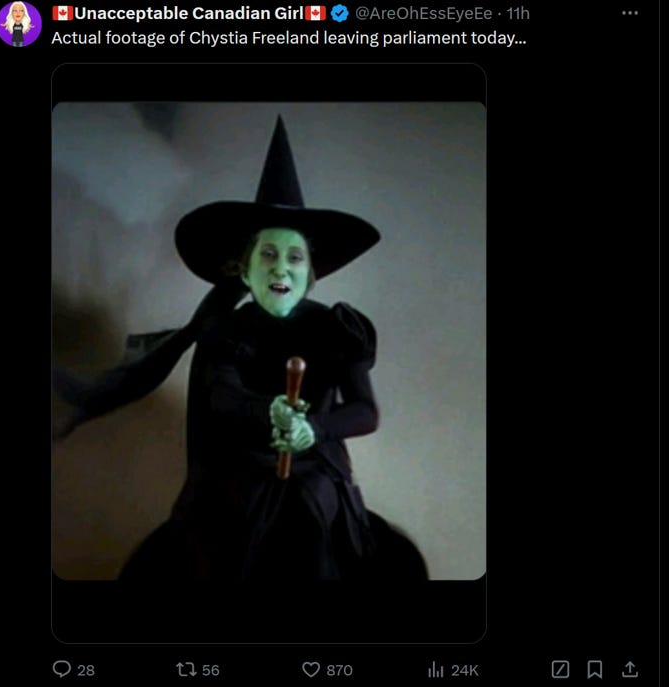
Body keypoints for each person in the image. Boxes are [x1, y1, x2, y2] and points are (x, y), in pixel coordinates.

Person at [53, 116, 428, 582]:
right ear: (245, 270)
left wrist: (313, 428)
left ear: (310, 273)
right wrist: (268, 411)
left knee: (311, 511)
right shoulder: (228, 330)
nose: (281, 268)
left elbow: (365, 412)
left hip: (317, 467)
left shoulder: (338, 329)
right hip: (239, 468)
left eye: (294, 258)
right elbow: (221, 396)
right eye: (268, 254)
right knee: (230, 528)